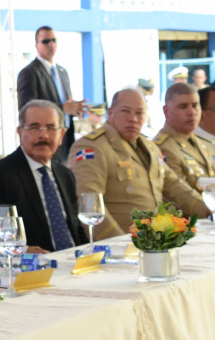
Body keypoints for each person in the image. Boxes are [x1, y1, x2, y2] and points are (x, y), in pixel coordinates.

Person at [0, 99, 90, 252]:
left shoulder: (66, 175)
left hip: (73, 260)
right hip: (33, 264)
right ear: (20, 132)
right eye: (34, 127)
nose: (43, 135)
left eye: (50, 127)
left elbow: (75, 229)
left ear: (62, 134)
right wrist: (23, 251)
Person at [66, 87, 169, 241]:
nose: (133, 118)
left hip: (155, 243)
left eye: (139, 113)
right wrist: (120, 244)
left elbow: (175, 186)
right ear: (111, 112)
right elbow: (89, 207)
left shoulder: (150, 147)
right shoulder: (92, 147)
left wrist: (207, 211)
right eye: (125, 111)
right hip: (120, 245)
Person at [152, 81, 215, 220]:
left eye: (195, 105)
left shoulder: (207, 144)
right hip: (190, 224)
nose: (191, 112)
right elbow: (180, 199)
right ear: (166, 111)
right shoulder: (162, 148)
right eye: (183, 107)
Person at [14, 25, 84, 119]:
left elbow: (66, 105)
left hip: (65, 127)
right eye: (46, 41)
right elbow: (25, 109)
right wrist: (62, 108)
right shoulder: (28, 73)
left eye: (54, 40)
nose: (51, 44)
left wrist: (75, 108)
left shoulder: (62, 72)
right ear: (36, 45)